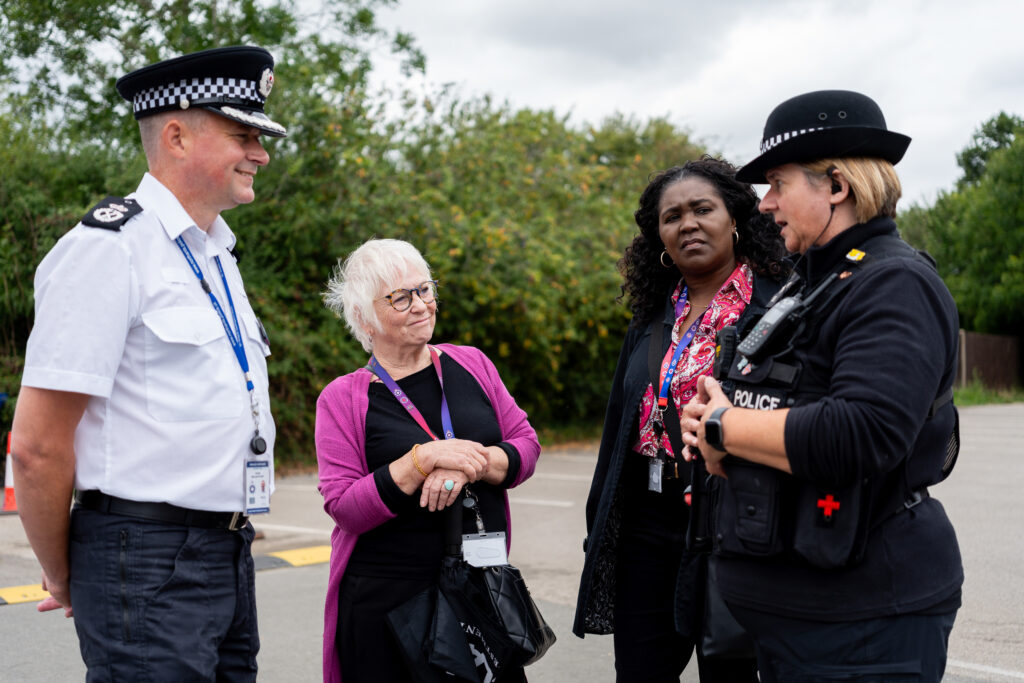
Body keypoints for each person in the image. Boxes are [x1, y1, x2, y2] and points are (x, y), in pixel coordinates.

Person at [10, 46, 286, 680]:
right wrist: (63, 573)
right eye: (244, 134)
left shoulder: (217, 253)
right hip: (145, 557)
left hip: (225, 550)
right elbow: (37, 446)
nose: (261, 153)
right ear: (177, 135)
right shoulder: (108, 251)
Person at [681, 90, 963, 681]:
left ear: (836, 185)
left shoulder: (892, 283)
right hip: (797, 622)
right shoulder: (811, 281)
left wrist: (721, 427)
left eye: (779, 183)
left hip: (864, 626)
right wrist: (720, 440)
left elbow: (864, 432)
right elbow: (779, 410)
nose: (766, 204)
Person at [573, 156, 789, 682]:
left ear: (735, 217)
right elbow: (617, 429)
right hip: (647, 524)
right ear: (660, 239)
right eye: (672, 217)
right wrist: (600, 520)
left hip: (733, 518)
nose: (687, 224)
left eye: (702, 209)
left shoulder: (777, 305)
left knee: (731, 673)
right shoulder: (651, 316)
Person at [315, 238, 541, 683]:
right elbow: (344, 507)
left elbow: (525, 444)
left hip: (479, 590)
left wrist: (465, 463)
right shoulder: (342, 398)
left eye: (425, 289)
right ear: (364, 317)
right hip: (388, 606)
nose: (421, 305)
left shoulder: (472, 363)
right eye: (401, 297)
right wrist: (423, 460)